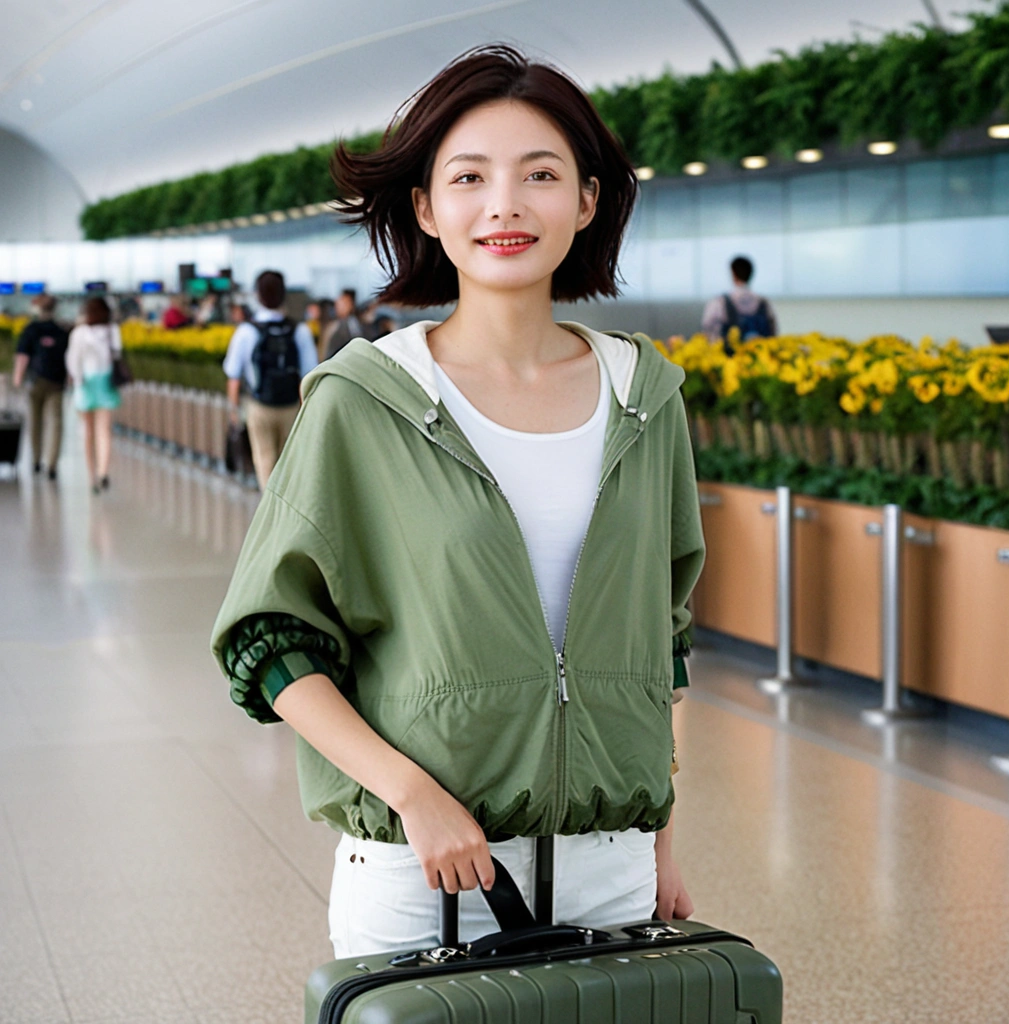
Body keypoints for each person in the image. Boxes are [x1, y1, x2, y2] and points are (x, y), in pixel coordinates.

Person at [211, 44, 705, 959]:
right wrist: (414, 796)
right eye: (469, 177)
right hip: (426, 875)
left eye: (541, 174)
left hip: (617, 874)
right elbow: (268, 639)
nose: (506, 204)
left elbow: (662, 637)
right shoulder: (364, 399)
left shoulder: (648, 397)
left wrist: (662, 834)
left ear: (588, 201)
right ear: (428, 209)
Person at [221, 270, 318, 489]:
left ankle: (270, 508)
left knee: (264, 459)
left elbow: (233, 377)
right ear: (284, 295)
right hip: (291, 406)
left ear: (257, 295)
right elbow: (310, 376)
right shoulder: (299, 330)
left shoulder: (246, 332)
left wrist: (234, 411)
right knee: (290, 462)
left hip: (258, 407)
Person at [65, 296, 122, 494]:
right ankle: (103, 471)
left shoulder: (80, 333)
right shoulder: (112, 331)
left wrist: (77, 380)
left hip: (86, 383)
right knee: (103, 430)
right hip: (105, 381)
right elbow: (117, 354)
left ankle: (92, 477)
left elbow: (73, 359)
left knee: (87, 432)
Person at [12, 294, 69, 480]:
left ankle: (36, 460)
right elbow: (68, 359)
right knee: (56, 422)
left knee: (35, 421)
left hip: (35, 381)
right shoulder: (61, 331)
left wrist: (17, 378)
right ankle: (52, 464)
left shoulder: (31, 329)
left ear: (38, 309)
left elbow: (22, 356)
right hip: (56, 382)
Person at [700, 255, 777, 351]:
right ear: (751, 274)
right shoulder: (764, 303)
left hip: (729, 362)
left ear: (733, 273)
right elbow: (773, 333)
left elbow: (708, 328)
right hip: (761, 360)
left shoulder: (720, 303)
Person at [319, 289, 362, 360]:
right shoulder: (332, 325)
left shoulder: (353, 323)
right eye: (338, 304)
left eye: (344, 304)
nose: (339, 307)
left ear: (351, 305)